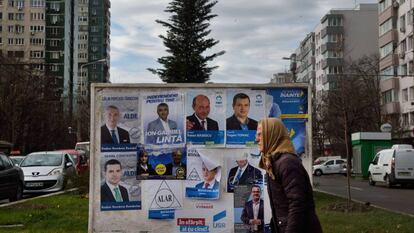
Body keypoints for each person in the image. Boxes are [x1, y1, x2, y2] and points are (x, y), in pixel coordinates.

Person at [256, 118, 322, 233]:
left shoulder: (287, 163)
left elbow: (297, 204)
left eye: (260, 134)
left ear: (272, 135)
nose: (257, 139)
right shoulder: (275, 162)